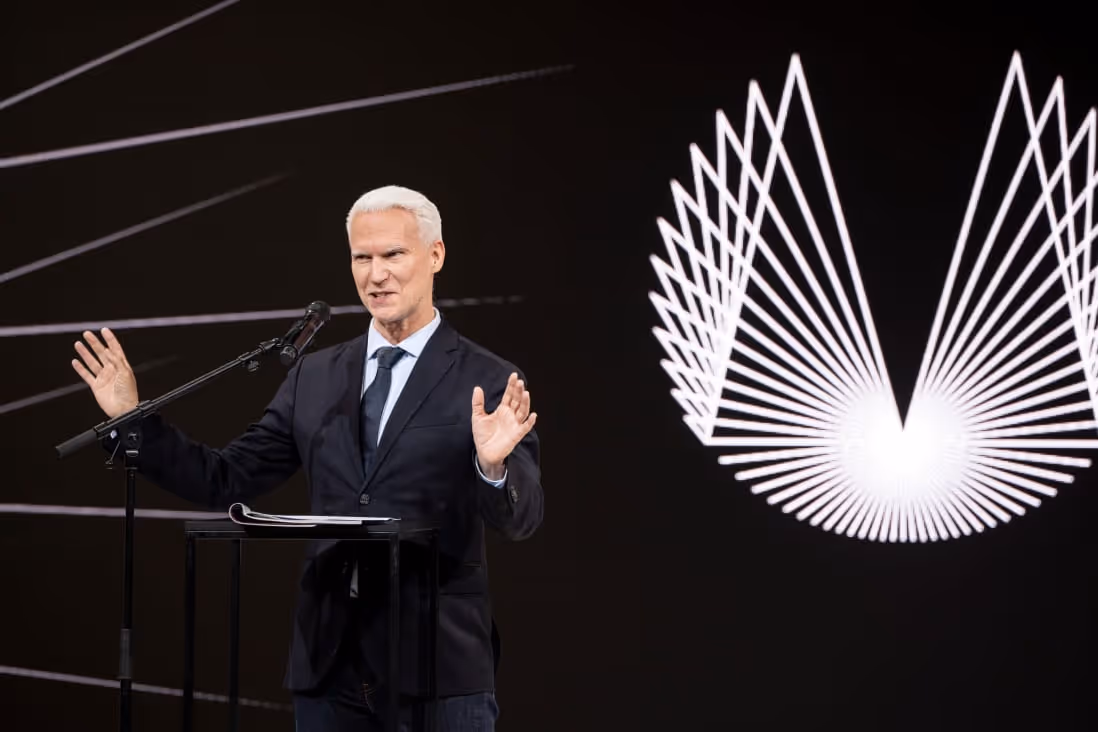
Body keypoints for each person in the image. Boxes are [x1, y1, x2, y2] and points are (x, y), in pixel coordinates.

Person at [71, 185, 544, 731]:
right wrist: (133, 419)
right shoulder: (314, 376)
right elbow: (226, 478)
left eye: (393, 255)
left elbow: (523, 518)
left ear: (435, 255)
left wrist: (492, 467)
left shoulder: (485, 378)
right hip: (328, 665)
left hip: (437, 668)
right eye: (361, 258)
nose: (376, 274)